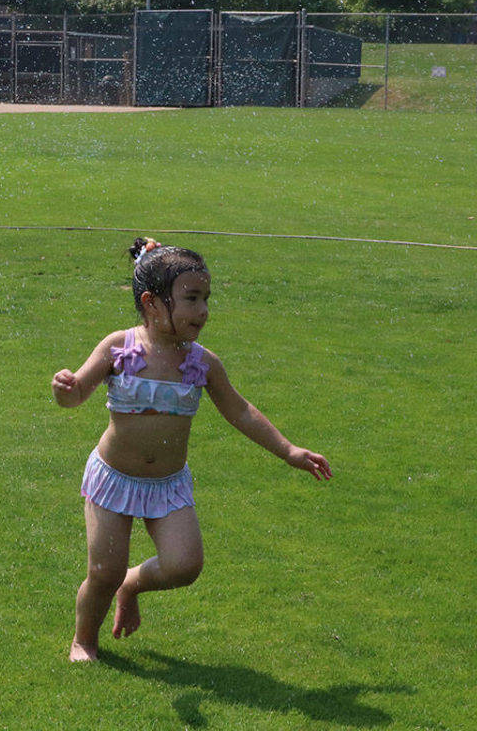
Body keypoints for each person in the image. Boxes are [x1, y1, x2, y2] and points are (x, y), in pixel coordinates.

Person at [51, 239, 332, 663]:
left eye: (206, 299)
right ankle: (84, 641)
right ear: (152, 303)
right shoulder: (119, 348)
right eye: (191, 299)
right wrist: (66, 391)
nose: (202, 311)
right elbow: (77, 397)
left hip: (167, 485)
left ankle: (133, 584)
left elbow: (239, 411)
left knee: (185, 564)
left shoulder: (201, 362)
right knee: (102, 571)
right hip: (113, 478)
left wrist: (288, 450)